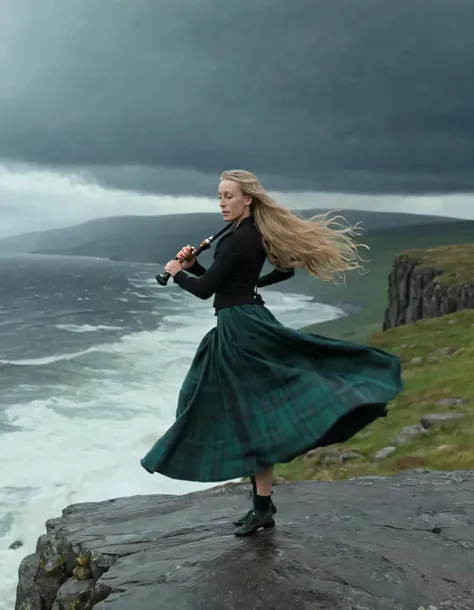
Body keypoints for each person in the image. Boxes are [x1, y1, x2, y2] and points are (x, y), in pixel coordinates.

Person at [140, 169, 403, 537]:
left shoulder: (235, 240)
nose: (222, 203)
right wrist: (201, 268)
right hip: (240, 322)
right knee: (224, 404)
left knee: (247, 413)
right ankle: (261, 504)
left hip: (240, 329)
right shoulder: (244, 235)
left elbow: (205, 291)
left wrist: (177, 271)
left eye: (228, 196)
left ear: (247, 198)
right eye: (219, 196)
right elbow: (236, 280)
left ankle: (261, 508)